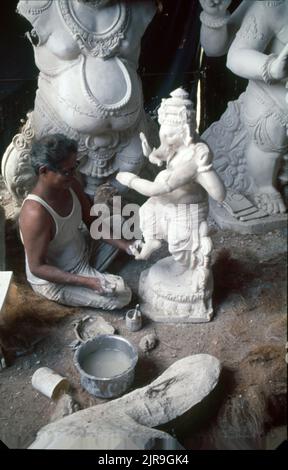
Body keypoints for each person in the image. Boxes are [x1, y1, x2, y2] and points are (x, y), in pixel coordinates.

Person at [13, 0, 158, 198]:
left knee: (129, 180)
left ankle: (106, 217)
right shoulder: (40, 5)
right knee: (66, 191)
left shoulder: (140, 6)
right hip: (62, 125)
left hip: (129, 128)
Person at [116, 88, 226, 291]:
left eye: (170, 133)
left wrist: (130, 180)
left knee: (179, 244)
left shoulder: (195, 156)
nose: (165, 137)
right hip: (166, 201)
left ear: (186, 131)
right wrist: (151, 154)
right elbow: (163, 153)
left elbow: (156, 189)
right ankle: (152, 241)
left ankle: (191, 269)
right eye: (163, 129)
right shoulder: (176, 145)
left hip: (186, 208)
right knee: (146, 212)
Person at [19, 134, 133, 310]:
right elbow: (37, 267)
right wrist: (87, 282)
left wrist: (126, 246)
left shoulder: (70, 184)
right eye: (66, 171)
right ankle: (93, 278)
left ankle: (97, 271)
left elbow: (92, 222)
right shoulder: (35, 214)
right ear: (43, 171)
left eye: (75, 167)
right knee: (121, 294)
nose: (73, 175)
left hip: (81, 247)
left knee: (125, 225)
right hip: (58, 276)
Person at [200, 0, 288, 215]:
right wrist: (271, 68)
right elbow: (235, 55)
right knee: (270, 133)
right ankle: (264, 186)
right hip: (273, 97)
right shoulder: (271, 6)